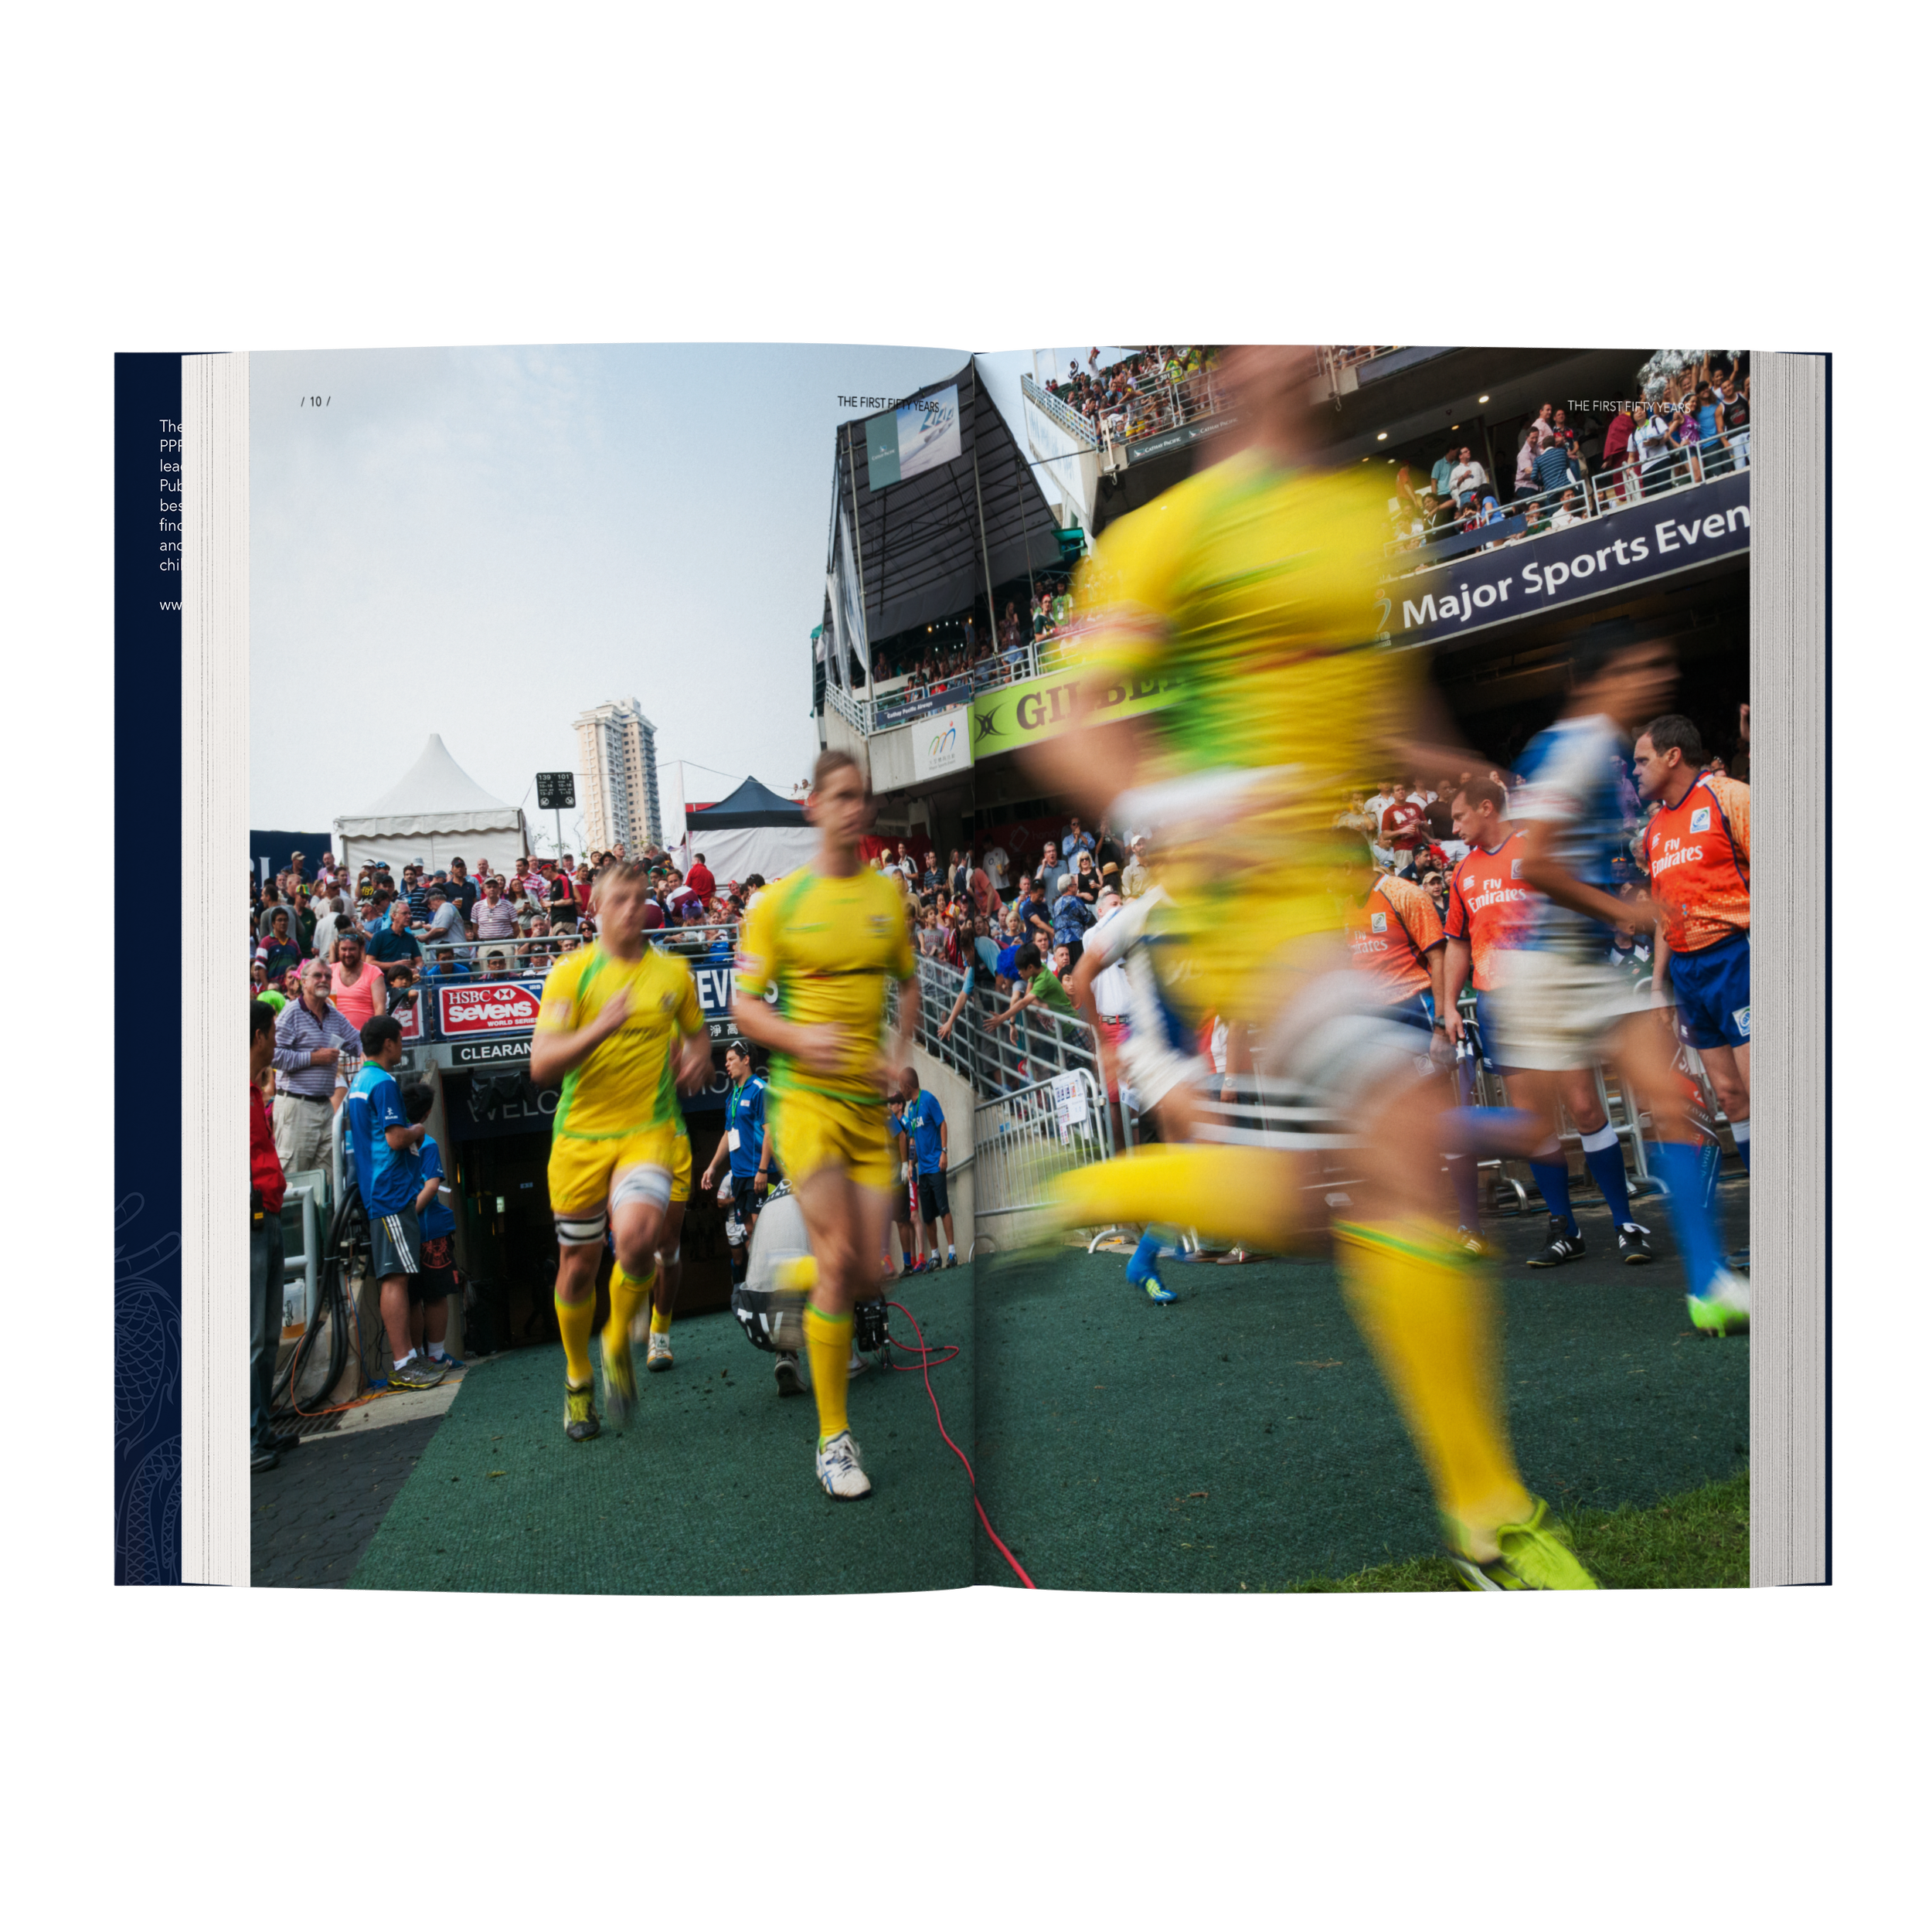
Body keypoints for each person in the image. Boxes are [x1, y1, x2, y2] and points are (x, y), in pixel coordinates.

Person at [1025, 342, 1598, 1592]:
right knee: (1409, 1129)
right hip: (1238, 904)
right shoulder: (1162, 535)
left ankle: (1095, 1195)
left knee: (1313, 1202)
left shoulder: (1369, 517)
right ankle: (1488, 1519)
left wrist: (1456, 765)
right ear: (1219, 370)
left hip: (1324, 897)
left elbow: (1371, 699)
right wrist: (1179, 804)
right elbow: (1073, 726)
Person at [1499, 624, 1748, 1333]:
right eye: (1645, 666)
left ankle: (1708, 1288)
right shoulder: (1570, 749)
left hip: (1580, 967)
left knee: (1675, 1097)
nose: (1658, 676)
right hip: (1549, 969)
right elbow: (1535, 865)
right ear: (1604, 678)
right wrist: (1626, 911)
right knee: (1533, 1127)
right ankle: (1409, 1134)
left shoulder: (1596, 752)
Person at [732, 749, 920, 1500]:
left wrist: (899, 1058)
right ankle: (833, 1440)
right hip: (805, 1103)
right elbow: (745, 1009)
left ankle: (793, 1280)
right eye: (839, 795)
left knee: (875, 1273)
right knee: (844, 1258)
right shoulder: (774, 903)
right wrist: (799, 1037)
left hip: (868, 1107)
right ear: (811, 803)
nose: (853, 808)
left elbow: (907, 987)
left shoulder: (885, 896)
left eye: (862, 797)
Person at [529, 861, 712, 1440]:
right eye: (621, 899)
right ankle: (578, 1382)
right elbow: (542, 1066)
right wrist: (599, 1028)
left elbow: (697, 1031)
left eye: (642, 897)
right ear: (596, 910)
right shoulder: (571, 974)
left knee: (638, 1244)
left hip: (648, 1130)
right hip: (579, 1139)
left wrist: (699, 1055)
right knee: (577, 1268)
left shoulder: (673, 974)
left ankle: (616, 1345)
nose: (635, 907)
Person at [1633, 713, 1752, 1175]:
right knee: (1729, 1096)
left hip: (1735, 956)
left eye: (1643, 761)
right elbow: (1664, 911)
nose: (1635, 771)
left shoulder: (1730, 796)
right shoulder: (1654, 830)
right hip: (1686, 970)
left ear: (1673, 755)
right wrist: (1660, 984)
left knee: (1765, 1088)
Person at [345, 1015, 445, 1389]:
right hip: (389, 1191)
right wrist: (418, 1130)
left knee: (396, 1277)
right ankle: (405, 1362)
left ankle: (408, 1361)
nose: (402, 1046)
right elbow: (395, 1138)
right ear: (388, 1043)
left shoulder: (359, 1081)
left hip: (379, 1189)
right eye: (400, 1040)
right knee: (396, 1278)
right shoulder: (383, 1082)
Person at [250, 1001, 301, 1471]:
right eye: (273, 1035)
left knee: (266, 1336)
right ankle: (247, 1439)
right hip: (251, 1221)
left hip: (266, 1215)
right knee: (252, 1337)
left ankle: (261, 1430)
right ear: (263, 1035)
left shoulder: (251, 1092)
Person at [270, 959, 362, 1174]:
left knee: (328, 1181)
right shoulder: (291, 1013)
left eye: (328, 976)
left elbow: (357, 1042)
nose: (324, 980)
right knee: (294, 1177)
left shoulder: (335, 1017)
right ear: (303, 982)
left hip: (325, 1107)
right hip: (297, 1106)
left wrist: (371, 1052)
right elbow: (274, 1056)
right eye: (318, 976)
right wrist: (313, 1059)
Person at [399, 1081, 464, 1372]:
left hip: (402, 1230)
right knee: (435, 1294)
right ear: (426, 1114)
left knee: (412, 1296)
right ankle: (435, 1354)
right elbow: (432, 1184)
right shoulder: (427, 1142)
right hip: (430, 1230)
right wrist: (412, 1215)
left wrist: (403, 1218)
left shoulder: (391, 1138)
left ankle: (418, 1358)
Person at [889, 1068, 956, 1267]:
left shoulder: (928, 1100)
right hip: (924, 1171)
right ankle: (935, 1255)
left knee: (943, 1210)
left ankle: (952, 1252)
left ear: (908, 1087)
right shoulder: (910, 1110)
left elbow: (942, 1124)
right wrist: (910, 1164)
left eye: (902, 1087)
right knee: (928, 1216)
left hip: (936, 1165)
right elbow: (912, 1140)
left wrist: (944, 1151)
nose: (901, 1091)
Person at [255, 906, 304, 986]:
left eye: (285, 920)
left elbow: (300, 967)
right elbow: (261, 967)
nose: (283, 923)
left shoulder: (294, 944)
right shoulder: (265, 942)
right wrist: (268, 988)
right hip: (274, 990)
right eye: (279, 920)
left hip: (292, 991)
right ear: (273, 924)